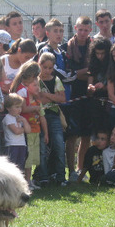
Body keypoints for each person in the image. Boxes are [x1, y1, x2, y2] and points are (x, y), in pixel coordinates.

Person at [10, 60, 48, 188]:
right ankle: (24, 181)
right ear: (31, 76)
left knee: (30, 156)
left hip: (31, 127)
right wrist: (35, 108)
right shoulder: (22, 90)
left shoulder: (25, 89)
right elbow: (24, 109)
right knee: (25, 157)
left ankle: (28, 180)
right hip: (24, 126)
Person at [63, 16, 92, 181]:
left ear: (90, 30)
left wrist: (78, 74)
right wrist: (83, 73)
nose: (82, 33)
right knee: (72, 135)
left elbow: (93, 71)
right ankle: (71, 170)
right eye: (80, 29)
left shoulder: (93, 46)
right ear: (75, 28)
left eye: (86, 30)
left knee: (86, 135)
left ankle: (81, 169)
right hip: (70, 96)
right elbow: (68, 76)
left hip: (88, 95)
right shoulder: (66, 47)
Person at [37, 51, 67, 186]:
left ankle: (61, 176)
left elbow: (62, 98)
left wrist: (47, 96)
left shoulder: (56, 80)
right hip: (39, 117)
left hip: (53, 115)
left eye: (50, 68)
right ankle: (43, 176)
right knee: (42, 147)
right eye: (45, 67)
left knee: (59, 145)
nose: (47, 71)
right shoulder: (35, 80)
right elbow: (38, 99)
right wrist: (51, 97)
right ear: (39, 65)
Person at [3, 93, 30, 173]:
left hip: (22, 145)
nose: (19, 109)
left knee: (20, 165)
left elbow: (28, 130)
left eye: (20, 107)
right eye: (17, 107)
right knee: (12, 165)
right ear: (8, 108)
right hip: (12, 145)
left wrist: (24, 121)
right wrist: (24, 128)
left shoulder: (20, 118)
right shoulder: (8, 118)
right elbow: (16, 131)